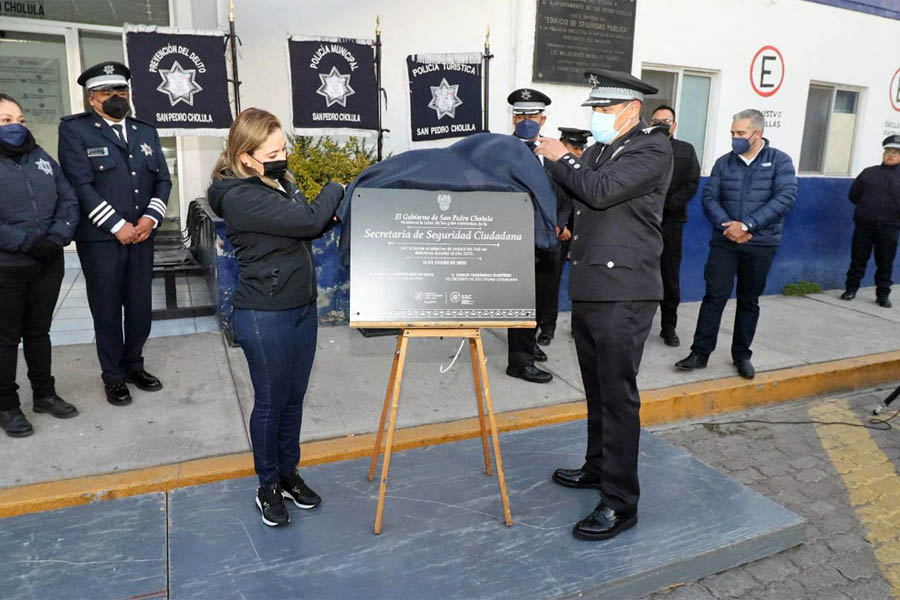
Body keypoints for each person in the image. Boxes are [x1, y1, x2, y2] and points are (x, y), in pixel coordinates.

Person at [535, 69, 672, 540]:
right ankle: (597, 468)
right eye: (593, 108)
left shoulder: (651, 147)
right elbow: (580, 199)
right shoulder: (598, 149)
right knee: (596, 390)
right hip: (592, 285)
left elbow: (598, 190)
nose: (595, 116)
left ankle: (620, 502)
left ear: (631, 110)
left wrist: (560, 159)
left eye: (603, 109)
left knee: (617, 397)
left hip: (626, 291)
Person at [207, 108, 343, 527]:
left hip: (300, 308)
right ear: (245, 156)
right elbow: (308, 220)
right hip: (265, 314)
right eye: (273, 150)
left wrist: (316, 218)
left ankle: (288, 474)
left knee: (293, 399)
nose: (283, 154)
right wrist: (337, 188)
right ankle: (266, 484)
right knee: (270, 403)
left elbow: (303, 228)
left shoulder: (277, 181)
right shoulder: (239, 195)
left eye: (284, 146)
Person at [58, 61, 171, 407]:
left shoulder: (145, 131)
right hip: (101, 240)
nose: (117, 98)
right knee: (106, 310)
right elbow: (81, 184)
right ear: (93, 99)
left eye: (121, 91)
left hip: (141, 235)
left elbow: (163, 180)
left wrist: (150, 219)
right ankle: (113, 376)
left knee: (139, 308)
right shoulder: (76, 131)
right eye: (108, 93)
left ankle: (134, 365)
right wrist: (117, 225)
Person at [675, 109, 796, 379]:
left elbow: (785, 198)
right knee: (714, 295)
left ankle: (742, 355)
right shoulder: (724, 163)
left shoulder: (780, 162)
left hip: (761, 243)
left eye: (740, 133)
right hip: (725, 240)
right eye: (732, 133)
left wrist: (748, 225)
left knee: (748, 300)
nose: (735, 138)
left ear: (757, 134)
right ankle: (700, 353)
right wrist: (728, 226)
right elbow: (709, 198)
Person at [0, 94, 79, 438]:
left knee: (38, 332)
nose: (16, 126)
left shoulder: (40, 157)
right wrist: (27, 242)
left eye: (20, 119)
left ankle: (44, 394)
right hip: (8, 265)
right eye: (6, 121)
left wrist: (56, 238)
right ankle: (6, 405)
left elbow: (69, 198)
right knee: (5, 339)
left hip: (47, 261)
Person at [504, 88, 556, 383]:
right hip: (518, 240)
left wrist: (561, 222)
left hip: (550, 238)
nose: (526, 120)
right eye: (520, 114)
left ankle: (530, 342)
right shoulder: (501, 150)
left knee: (541, 299)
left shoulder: (551, 149)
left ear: (543, 118)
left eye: (532, 115)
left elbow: (563, 191)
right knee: (521, 299)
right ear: (513, 119)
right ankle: (519, 362)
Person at [649, 105, 700, 347]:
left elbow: (691, 183)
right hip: (643, 222)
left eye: (666, 121)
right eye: (656, 120)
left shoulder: (685, 150)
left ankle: (668, 327)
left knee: (669, 277)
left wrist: (667, 204)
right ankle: (638, 325)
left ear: (674, 125)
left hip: (671, 222)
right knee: (641, 276)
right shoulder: (642, 147)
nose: (661, 124)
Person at [538, 127, 591, 346]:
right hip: (548, 230)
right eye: (574, 148)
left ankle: (548, 328)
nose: (579, 153)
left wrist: (564, 226)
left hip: (569, 231)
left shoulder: (579, 166)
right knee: (542, 283)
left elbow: (572, 199)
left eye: (581, 149)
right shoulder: (547, 165)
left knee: (556, 281)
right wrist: (558, 226)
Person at [840, 135, 900, 308]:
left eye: (895, 152)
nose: (890, 155)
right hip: (865, 225)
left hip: (890, 227)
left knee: (885, 262)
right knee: (858, 259)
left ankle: (882, 295)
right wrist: (866, 210)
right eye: (888, 151)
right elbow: (854, 195)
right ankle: (850, 289)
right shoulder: (869, 173)